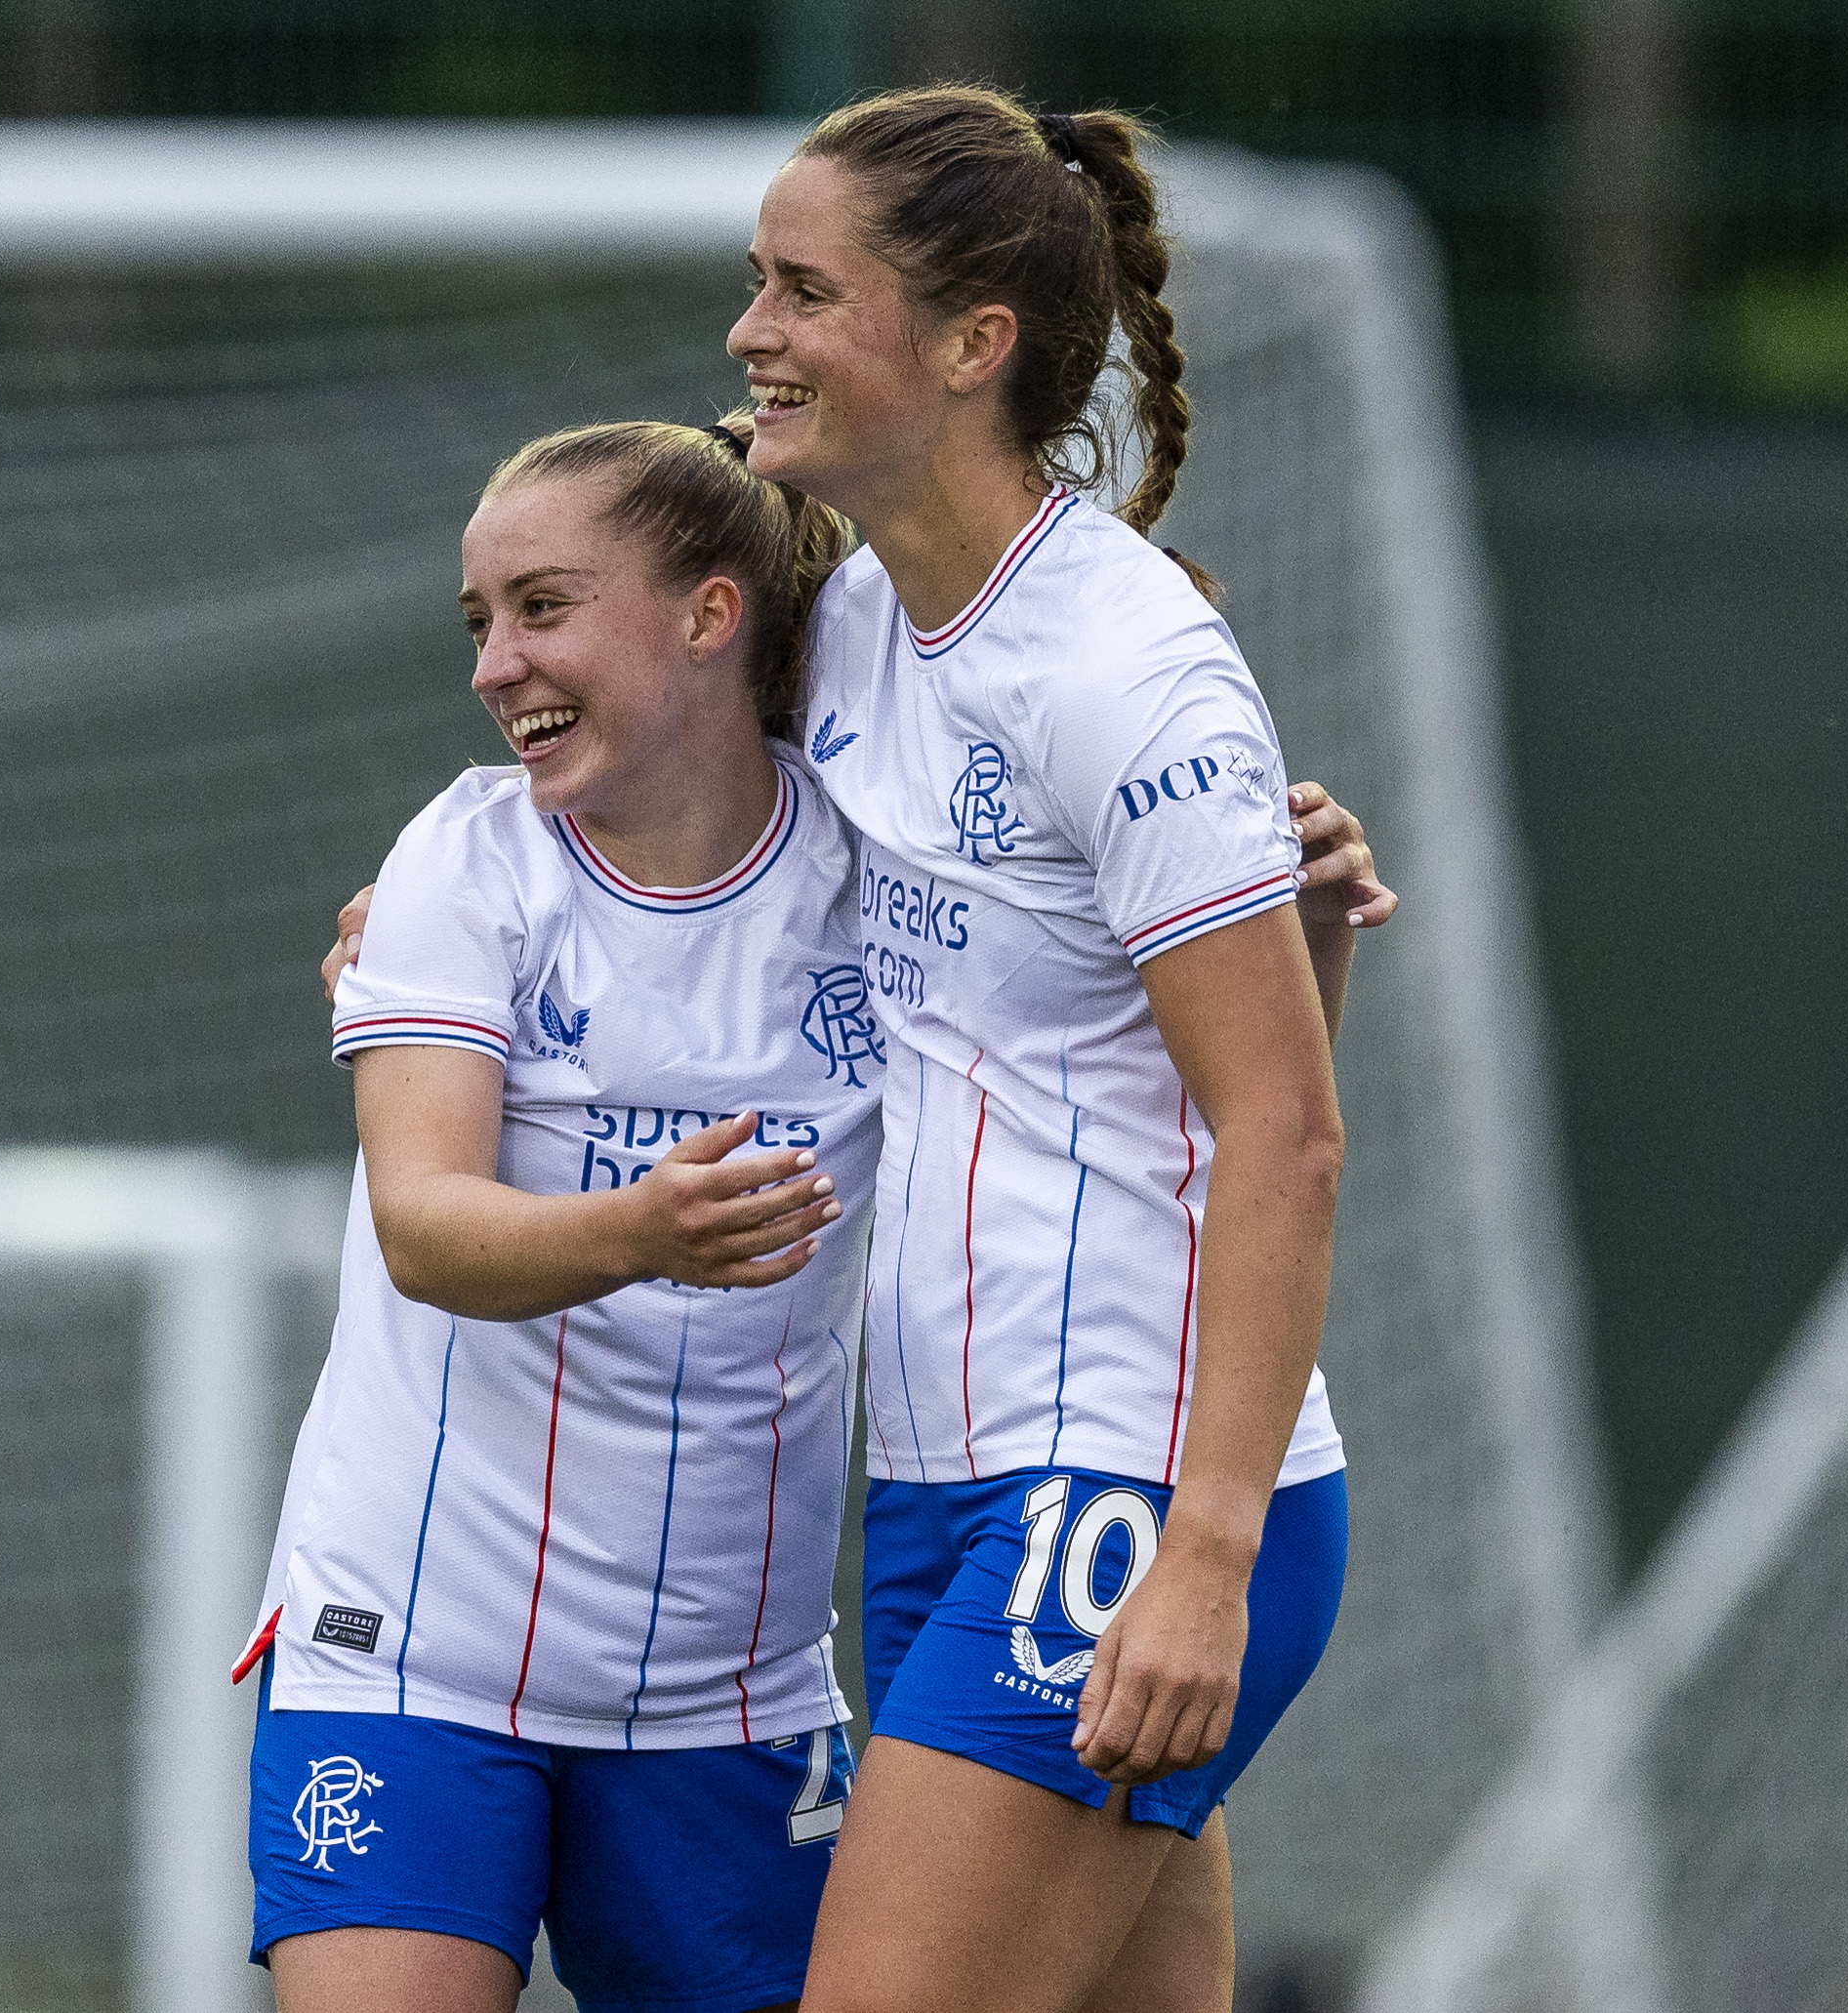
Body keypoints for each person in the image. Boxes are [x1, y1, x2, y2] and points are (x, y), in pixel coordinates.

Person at [315, 87, 1398, 2013]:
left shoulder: (1123, 667)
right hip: (944, 1491)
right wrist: (433, 940)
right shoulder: (865, 620)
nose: (751, 332)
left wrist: (1205, 1549)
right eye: (757, 283)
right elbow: (668, 787)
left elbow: (1284, 1130)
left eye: (805, 290)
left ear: (970, 345)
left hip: (1119, 1490)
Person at [240, 416, 878, 2013]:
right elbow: (427, 1225)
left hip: (728, 1695)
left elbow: (1114, 1094)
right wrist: (645, 1230)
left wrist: (1295, 935)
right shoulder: (468, 862)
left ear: (709, 616)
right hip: (409, 1652)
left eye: (541, 607)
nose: (494, 664)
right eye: (479, 622)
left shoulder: (884, 882)